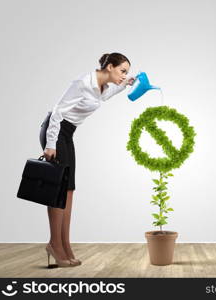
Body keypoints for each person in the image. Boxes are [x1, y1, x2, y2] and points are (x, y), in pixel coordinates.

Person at [39, 53, 135, 267]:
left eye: (126, 73)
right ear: (109, 66)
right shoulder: (83, 83)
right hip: (55, 131)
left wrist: (129, 82)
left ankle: (65, 244)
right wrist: (50, 144)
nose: (124, 75)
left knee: (69, 189)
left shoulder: (103, 88)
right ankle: (55, 244)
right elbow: (57, 112)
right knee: (58, 189)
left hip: (68, 134)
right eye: (123, 71)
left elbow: (110, 93)